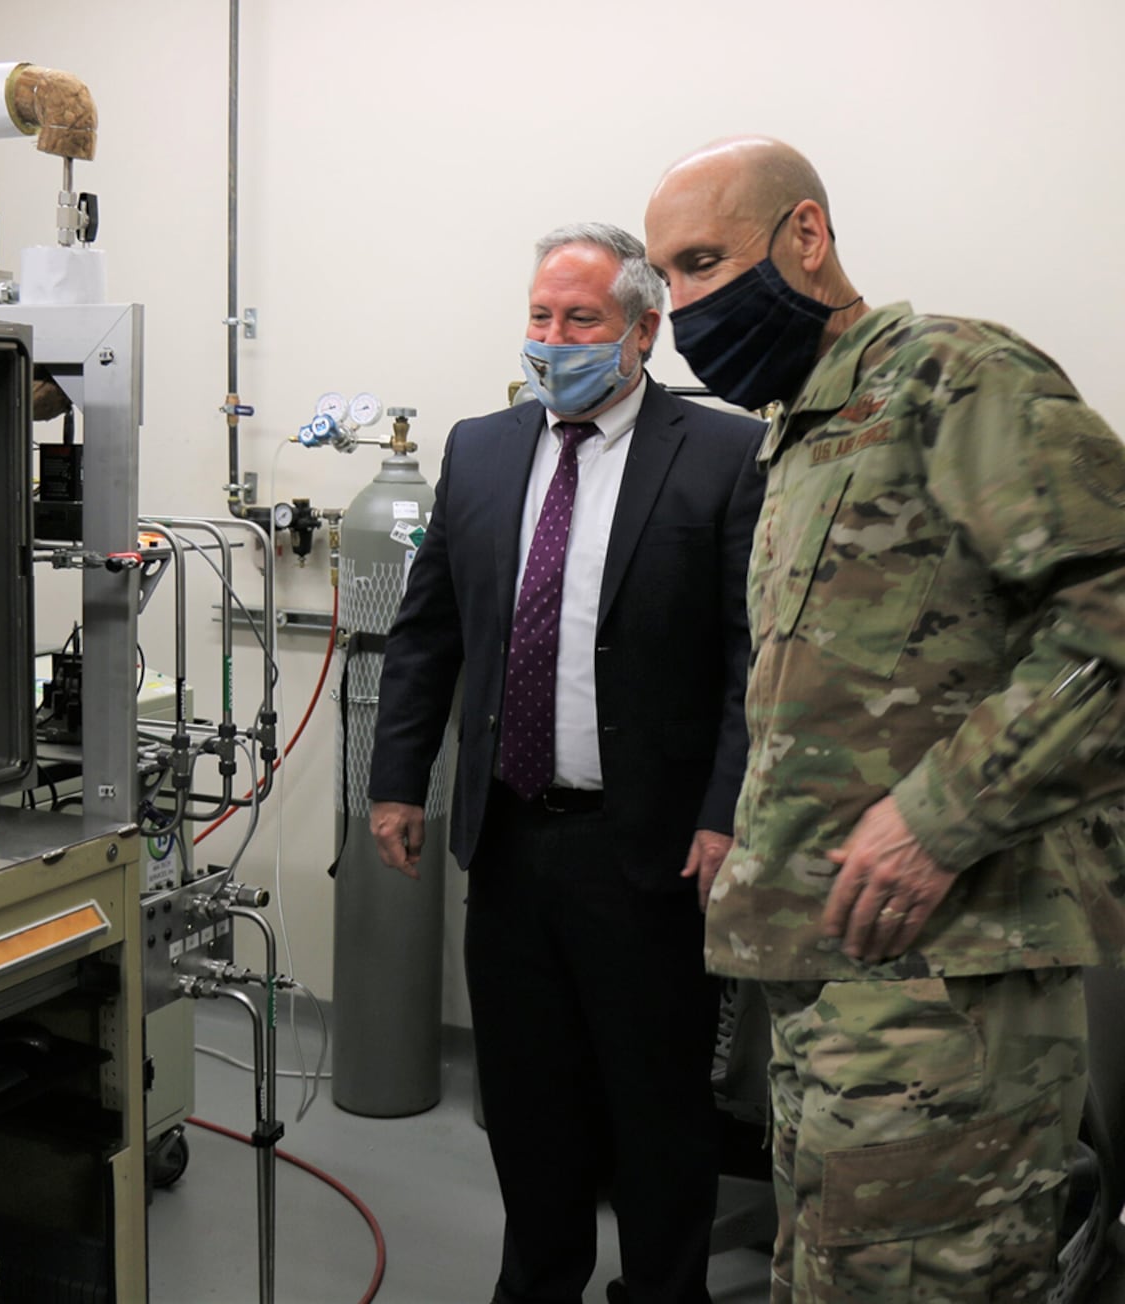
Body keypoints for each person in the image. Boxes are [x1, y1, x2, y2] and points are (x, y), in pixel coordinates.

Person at [643, 136, 1125, 1302]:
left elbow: (1110, 610)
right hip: (830, 985)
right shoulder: (799, 430)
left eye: (704, 260)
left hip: (949, 994)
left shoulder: (947, 374)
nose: (681, 306)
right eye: (664, 279)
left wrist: (939, 819)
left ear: (804, 235)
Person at [368, 222, 765, 1304]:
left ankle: (663, 1288)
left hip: (646, 846)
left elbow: (749, 656)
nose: (553, 338)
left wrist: (725, 808)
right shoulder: (483, 447)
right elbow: (428, 631)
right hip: (507, 835)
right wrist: (397, 779)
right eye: (540, 316)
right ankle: (538, 1280)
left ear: (643, 329)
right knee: (529, 1099)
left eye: (580, 319)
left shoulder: (726, 453)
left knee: (656, 1103)